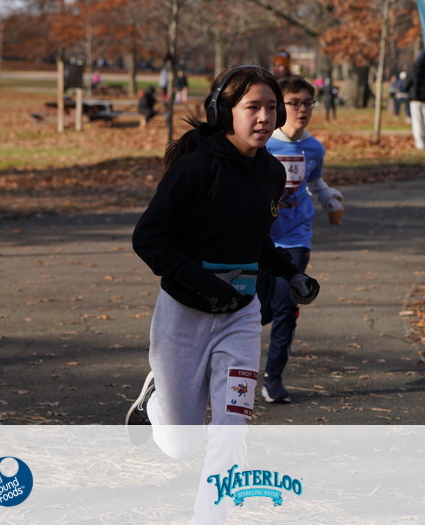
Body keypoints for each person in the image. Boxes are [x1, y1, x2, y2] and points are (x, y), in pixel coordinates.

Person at [127, 64, 320, 447]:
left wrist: (290, 273)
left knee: (233, 425)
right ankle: (155, 401)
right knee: (181, 446)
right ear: (223, 111)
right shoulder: (195, 169)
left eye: (271, 107)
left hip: (241, 315)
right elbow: (148, 239)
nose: (264, 117)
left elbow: (256, 237)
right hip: (185, 313)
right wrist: (203, 283)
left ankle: (219, 487)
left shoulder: (272, 172)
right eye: (253, 107)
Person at [257, 75, 344, 404]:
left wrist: (331, 202)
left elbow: (316, 183)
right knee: (258, 311)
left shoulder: (314, 148)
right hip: (261, 237)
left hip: (296, 236)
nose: (302, 109)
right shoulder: (264, 144)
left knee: (286, 306)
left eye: (308, 103)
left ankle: (273, 378)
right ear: (280, 107)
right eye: (294, 103)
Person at [404, 50, 425, 149]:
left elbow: (406, 84)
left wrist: (409, 91)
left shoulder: (414, 68)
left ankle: (420, 144)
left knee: (417, 122)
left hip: (415, 99)